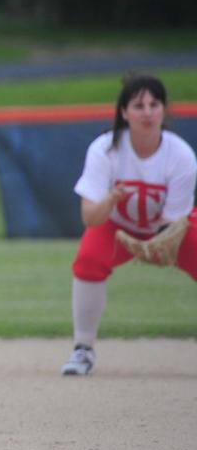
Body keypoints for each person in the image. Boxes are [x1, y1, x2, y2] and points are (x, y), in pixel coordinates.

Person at [62, 73, 196, 376]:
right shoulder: (105, 149)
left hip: (171, 229)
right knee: (88, 261)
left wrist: (157, 246)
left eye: (154, 104)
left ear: (164, 110)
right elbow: (90, 217)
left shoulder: (181, 156)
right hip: (117, 226)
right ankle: (83, 348)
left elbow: (175, 223)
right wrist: (111, 199)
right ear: (124, 112)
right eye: (138, 105)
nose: (147, 112)